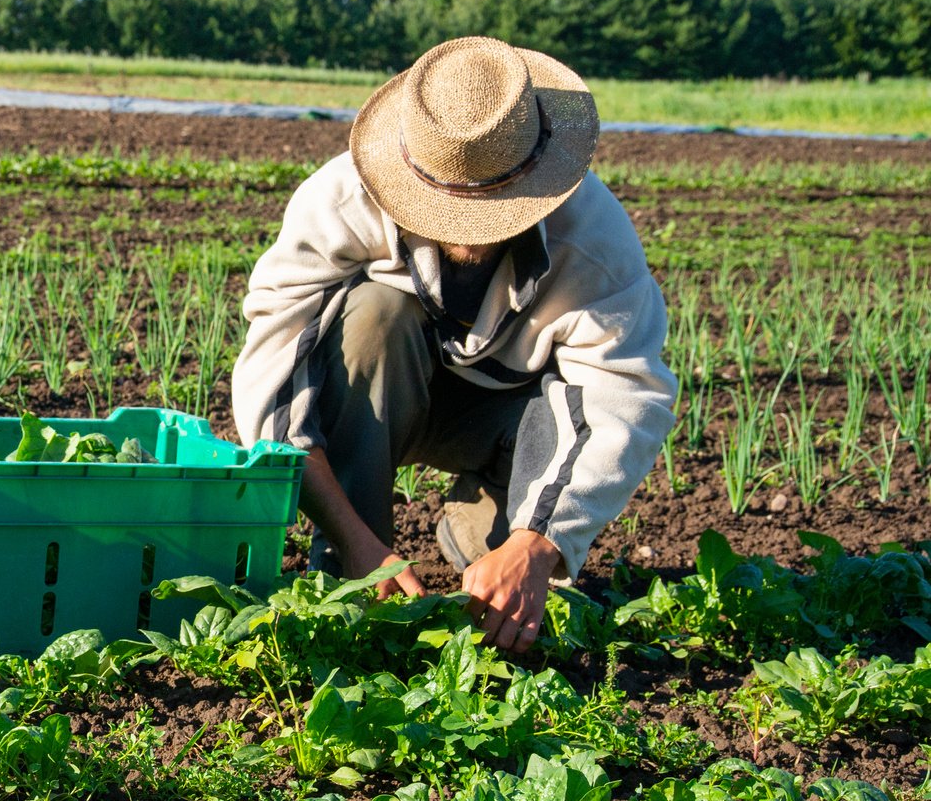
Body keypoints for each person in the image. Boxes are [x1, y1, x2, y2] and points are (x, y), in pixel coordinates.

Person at [231, 36, 676, 653]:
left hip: (505, 422)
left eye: (492, 208)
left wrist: (538, 546)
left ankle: (485, 528)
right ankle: (350, 570)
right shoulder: (340, 201)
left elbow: (624, 397)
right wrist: (359, 545)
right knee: (372, 315)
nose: (468, 232)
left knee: (512, 586)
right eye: (447, 207)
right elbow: (274, 383)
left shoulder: (593, 241)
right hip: (384, 398)